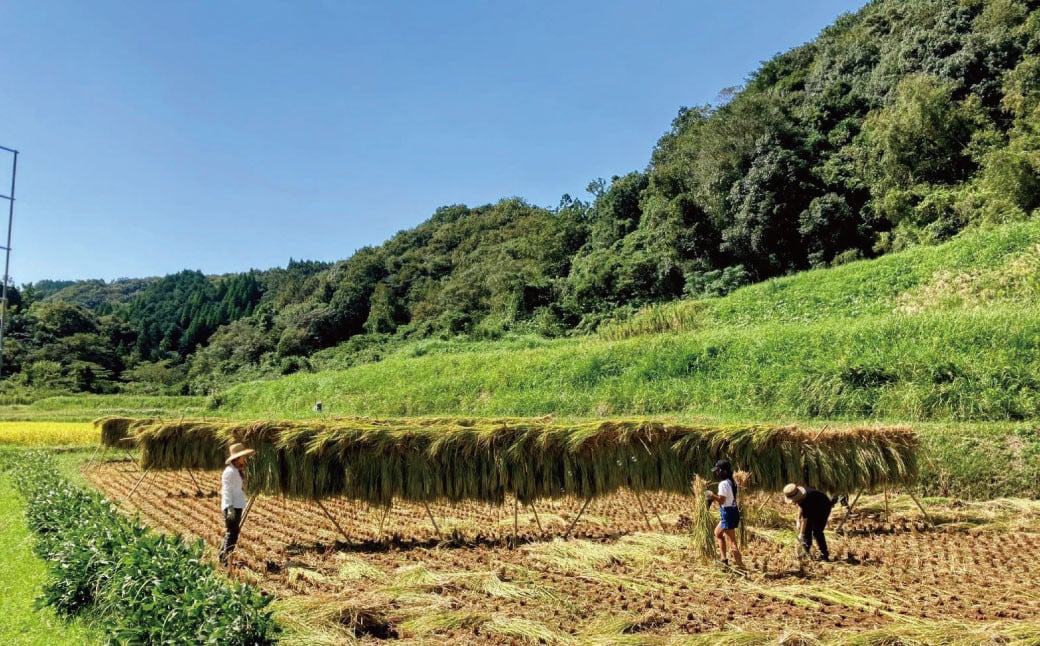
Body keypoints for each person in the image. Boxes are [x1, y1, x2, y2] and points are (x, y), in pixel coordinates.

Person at [219, 442, 255, 566]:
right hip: (232, 506)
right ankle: (225, 559)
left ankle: (223, 556)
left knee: (232, 531)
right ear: (237, 457)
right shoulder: (230, 472)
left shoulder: (237, 470)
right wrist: (229, 508)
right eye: (243, 457)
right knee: (232, 532)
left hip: (236, 505)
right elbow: (226, 490)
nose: (244, 459)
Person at [705, 459, 744, 568]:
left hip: (728, 512)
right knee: (717, 533)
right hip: (732, 510)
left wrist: (711, 495)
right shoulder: (733, 482)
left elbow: (722, 500)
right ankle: (724, 560)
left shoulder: (723, 484)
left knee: (732, 543)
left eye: (717, 471)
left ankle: (741, 566)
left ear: (722, 470)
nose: (716, 473)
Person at [783, 483, 834, 561]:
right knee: (807, 530)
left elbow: (805, 519)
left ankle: (824, 554)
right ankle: (806, 551)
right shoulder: (800, 496)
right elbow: (801, 506)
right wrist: (798, 519)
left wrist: (801, 534)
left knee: (817, 531)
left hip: (823, 507)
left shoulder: (806, 499)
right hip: (813, 505)